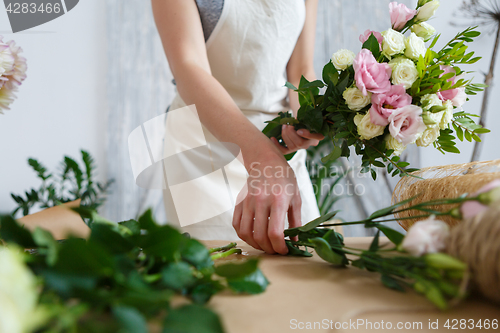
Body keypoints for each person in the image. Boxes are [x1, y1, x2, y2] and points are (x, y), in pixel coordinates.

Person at [152, 0, 323, 254]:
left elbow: (300, 70)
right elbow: (189, 68)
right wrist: (263, 158)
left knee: (302, 266)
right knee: (217, 276)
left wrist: (307, 121)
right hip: (203, 154)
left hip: (278, 150)